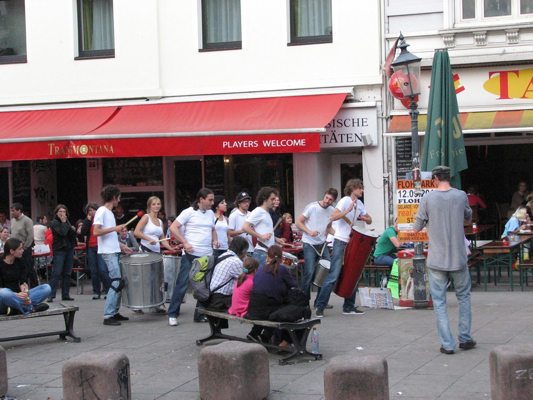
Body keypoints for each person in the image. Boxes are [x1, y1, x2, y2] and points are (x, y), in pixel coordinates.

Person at [413, 165, 475, 355]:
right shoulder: (461, 195)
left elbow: (416, 226)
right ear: (449, 177)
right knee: (464, 297)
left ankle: (447, 344)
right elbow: (468, 217)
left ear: (435, 178)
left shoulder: (428, 198)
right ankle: (464, 338)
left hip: (437, 258)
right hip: (458, 257)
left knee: (439, 302)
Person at [314, 179, 372, 318]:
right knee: (333, 275)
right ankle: (320, 305)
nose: (362, 190)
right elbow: (333, 217)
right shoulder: (345, 200)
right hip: (340, 241)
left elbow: (369, 219)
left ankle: (349, 306)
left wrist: (365, 218)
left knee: (353, 274)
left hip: (351, 242)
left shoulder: (360, 203)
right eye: (360, 188)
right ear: (352, 188)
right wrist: (348, 210)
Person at [168, 188, 219, 326]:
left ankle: (199, 313)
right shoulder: (188, 212)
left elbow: (213, 229)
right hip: (191, 254)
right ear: (201, 199)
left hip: (207, 253)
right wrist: (185, 242)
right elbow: (173, 227)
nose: (212, 203)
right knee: (183, 283)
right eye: (210, 200)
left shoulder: (210, 214)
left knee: (204, 285)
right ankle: (172, 313)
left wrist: (215, 240)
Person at [93, 186, 134, 326]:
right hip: (107, 252)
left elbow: (109, 235)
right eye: (119, 197)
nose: (119, 200)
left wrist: (122, 246)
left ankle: (115, 312)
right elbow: (96, 232)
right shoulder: (102, 211)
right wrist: (115, 228)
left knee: (119, 281)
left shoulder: (110, 213)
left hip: (114, 250)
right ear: (114, 197)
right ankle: (108, 314)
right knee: (116, 281)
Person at [245, 245, 298, 346]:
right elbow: (294, 285)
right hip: (267, 310)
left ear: (268, 257)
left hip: (253, 309)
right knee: (282, 310)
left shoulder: (260, 269)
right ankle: (272, 338)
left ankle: (257, 334)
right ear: (282, 258)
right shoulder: (282, 269)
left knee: (267, 303)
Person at [133, 196, 175, 314]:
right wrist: (148, 239)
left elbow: (162, 238)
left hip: (156, 252)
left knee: (156, 279)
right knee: (145, 279)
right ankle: (138, 304)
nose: (156, 206)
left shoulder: (160, 221)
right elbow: (136, 232)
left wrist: (171, 247)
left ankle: (154, 304)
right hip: (146, 250)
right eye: (154, 204)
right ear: (149, 206)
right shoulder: (146, 217)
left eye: (158, 204)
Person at [295, 188, 338, 302]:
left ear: (333, 201)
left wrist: (338, 235)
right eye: (326, 198)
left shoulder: (331, 210)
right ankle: (304, 299)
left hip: (322, 243)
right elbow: (298, 222)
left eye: (330, 200)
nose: (327, 201)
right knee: (309, 271)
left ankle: (320, 301)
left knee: (325, 270)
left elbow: (328, 227)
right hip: (309, 243)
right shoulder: (312, 207)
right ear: (324, 195)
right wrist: (310, 232)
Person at [0, 238, 51, 315]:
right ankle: (29, 308)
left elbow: (23, 282)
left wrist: (26, 296)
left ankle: (18, 308)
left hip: (19, 296)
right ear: (11, 251)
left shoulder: (21, 262)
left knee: (46, 288)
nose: (23, 251)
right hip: (5, 298)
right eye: (20, 249)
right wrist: (17, 295)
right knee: (5, 293)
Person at [243, 187, 286, 268]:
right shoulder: (258, 211)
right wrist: (261, 236)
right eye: (272, 199)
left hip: (267, 253)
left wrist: (276, 239)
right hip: (261, 253)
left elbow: (266, 231)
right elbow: (245, 227)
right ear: (264, 198)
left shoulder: (267, 213)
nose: (274, 202)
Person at [208, 236, 249, 311]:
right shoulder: (236, 262)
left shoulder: (224, 255)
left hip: (212, 297)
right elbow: (247, 279)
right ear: (243, 252)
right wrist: (246, 262)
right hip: (221, 300)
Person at [81, 202, 110, 300]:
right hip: (91, 247)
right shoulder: (88, 220)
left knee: (103, 269)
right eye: (90, 210)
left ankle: (108, 290)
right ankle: (96, 291)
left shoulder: (101, 219)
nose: (92, 212)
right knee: (94, 271)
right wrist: (87, 221)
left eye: (93, 210)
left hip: (100, 246)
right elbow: (83, 232)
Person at [48, 204, 77, 302]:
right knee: (57, 272)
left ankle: (65, 294)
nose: (62, 214)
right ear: (56, 213)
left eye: (64, 212)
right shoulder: (55, 223)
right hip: (59, 249)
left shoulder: (67, 222)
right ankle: (51, 295)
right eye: (60, 212)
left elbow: (72, 234)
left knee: (68, 272)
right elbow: (62, 233)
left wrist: (73, 229)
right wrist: (64, 223)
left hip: (69, 249)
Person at [10, 203, 38, 288]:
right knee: (19, 268)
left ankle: (35, 286)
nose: (12, 213)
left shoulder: (27, 220)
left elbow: (30, 236)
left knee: (28, 268)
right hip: (14, 248)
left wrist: (25, 247)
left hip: (24, 248)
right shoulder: (13, 221)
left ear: (19, 210)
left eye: (13, 211)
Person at [228, 192, 254, 256]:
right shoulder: (234, 215)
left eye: (248, 202)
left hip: (250, 248)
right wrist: (243, 230)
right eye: (244, 202)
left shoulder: (251, 214)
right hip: (239, 249)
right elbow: (230, 233)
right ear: (239, 203)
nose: (247, 204)